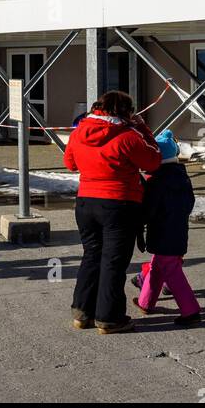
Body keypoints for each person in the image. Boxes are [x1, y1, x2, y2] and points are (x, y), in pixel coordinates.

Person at [63, 89, 161, 334]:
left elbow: (70, 164)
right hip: (119, 203)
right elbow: (153, 160)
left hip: (86, 202)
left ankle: (82, 311)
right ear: (126, 112)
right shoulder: (128, 136)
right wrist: (144, 129)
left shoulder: (79, 132)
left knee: (91, 256)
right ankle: (109, 318)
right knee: (113, 263)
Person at [132, 130, 201, 327]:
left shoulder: (157, 181)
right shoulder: (181, 178)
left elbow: (149, 209)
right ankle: (146, 302)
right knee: (157, 267)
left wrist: (139, 219)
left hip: (163, 232)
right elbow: (189, 203)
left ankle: (190, 311)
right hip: (178, 230)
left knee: (170, 270)